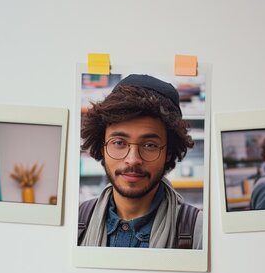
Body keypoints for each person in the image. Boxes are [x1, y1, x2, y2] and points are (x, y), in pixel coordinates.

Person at [78, 74, 202, 249]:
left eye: (149, 145)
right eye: (119, 143)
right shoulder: (76, 222)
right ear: (101, 147)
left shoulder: (198, 232)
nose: (133, 160)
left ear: (168, 152)